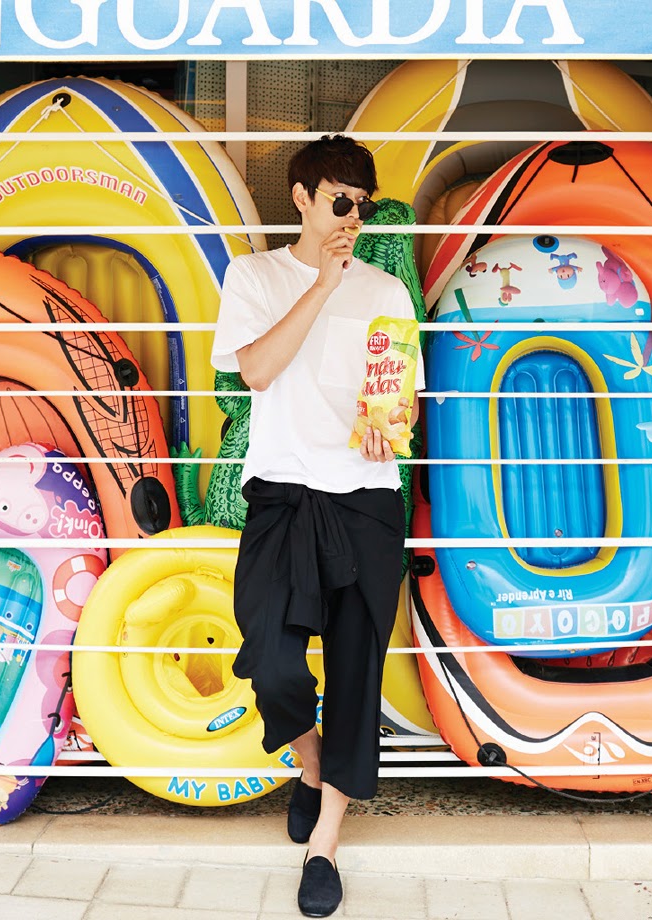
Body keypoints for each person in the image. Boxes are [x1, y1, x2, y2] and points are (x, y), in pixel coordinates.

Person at [211, 134, 425, 918]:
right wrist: (324, 283)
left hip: (364, 499)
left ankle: (324, 844)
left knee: (356, 668)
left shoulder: (386, 290)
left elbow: (398, 394)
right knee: (270, 660)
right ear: (302, 198)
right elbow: (256, 370)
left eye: (361, 204)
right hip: (282, 494)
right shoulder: (256, 276)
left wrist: (390, 422)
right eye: (339, 200)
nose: (351, 217)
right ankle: (309, 762)